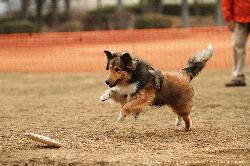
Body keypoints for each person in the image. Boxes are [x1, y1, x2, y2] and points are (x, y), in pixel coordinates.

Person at [221, 0, 250, 87]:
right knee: (237, 46)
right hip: (239, 19)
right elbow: (226, 2)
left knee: (238, 47)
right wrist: (228, 18)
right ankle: (238, 76)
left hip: (239, 17)